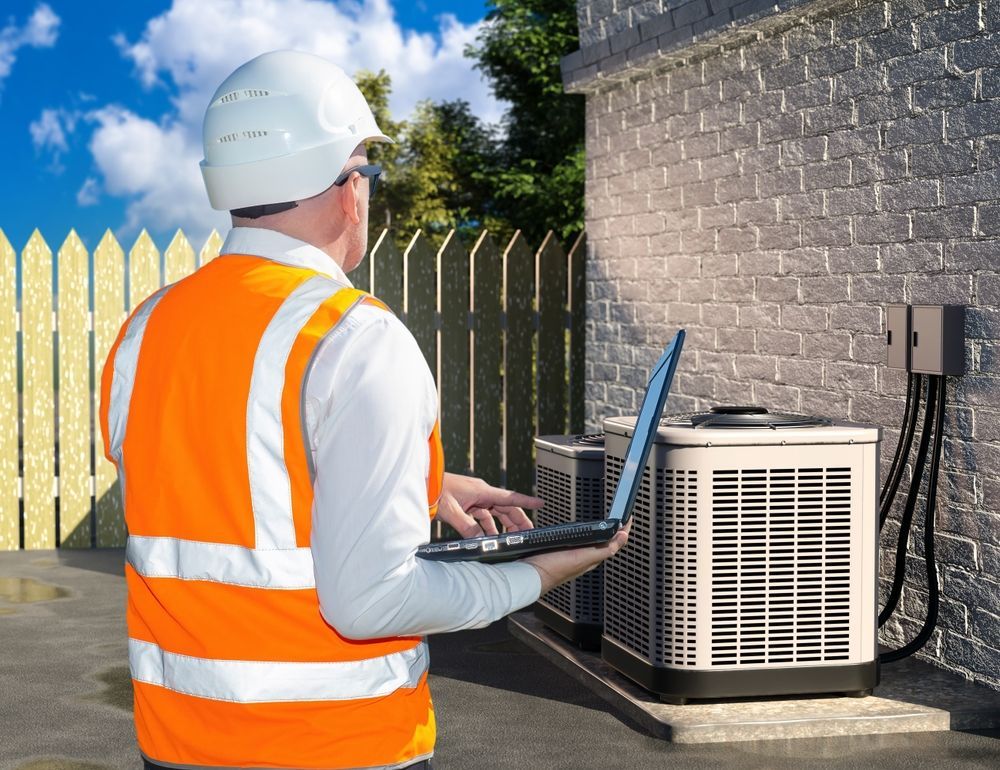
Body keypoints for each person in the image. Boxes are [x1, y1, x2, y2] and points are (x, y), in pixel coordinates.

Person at [100, 50, 629, 770]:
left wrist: (424, 486)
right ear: (349, 189)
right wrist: (541, 574)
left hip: (176, 744)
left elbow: (223, 478)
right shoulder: (355, 337)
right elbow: (370, 604)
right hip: (336, 748)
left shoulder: (147, 327)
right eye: (366, 172)